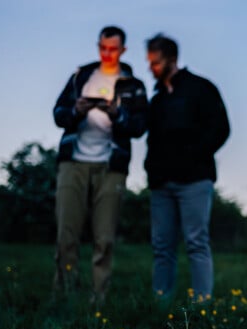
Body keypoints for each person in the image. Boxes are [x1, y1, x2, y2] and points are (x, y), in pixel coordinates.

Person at [52, 26, 148, 306]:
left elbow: (140, 126)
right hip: (73, 162)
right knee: (66, 235)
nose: (107, 54)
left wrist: (118, 115)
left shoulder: (134, 85)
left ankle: (99, 300)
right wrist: (76, 111)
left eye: (113, 49)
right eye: (103, 48)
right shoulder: (80, 76)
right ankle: (64, 296)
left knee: (104, 238)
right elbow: (58, 114)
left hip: (111, 165)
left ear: (123, 50)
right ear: (98, 46)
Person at [144, 33, 230, 302]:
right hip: (161, 184)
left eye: (156, 62)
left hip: (194, 180)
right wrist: (151, 169)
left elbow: (221, 129)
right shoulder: (157, 100)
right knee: (162, 247)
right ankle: (160, 302)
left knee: (196, 242)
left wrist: (193, 156)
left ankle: (202, 305)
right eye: (149, 63)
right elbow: (152, 139)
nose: (151, 68)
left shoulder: (201, 88)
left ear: (172, 59)